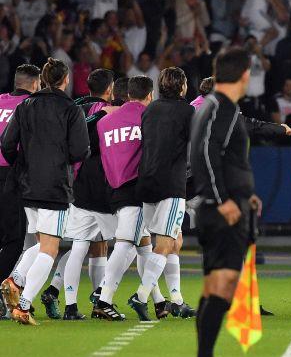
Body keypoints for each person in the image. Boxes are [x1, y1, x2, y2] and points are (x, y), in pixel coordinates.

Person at [189, 48, 262, 357]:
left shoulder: (216, 106)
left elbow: (222, 157)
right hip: (221, 211)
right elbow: (204, 153)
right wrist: (223, 200)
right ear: (245, 75)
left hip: (227, 204)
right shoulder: (222, 107)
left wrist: (246, 195)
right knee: (222, 285)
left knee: (214, 287)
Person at [0, 58, 89, 325]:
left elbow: (7, 143)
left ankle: (13, 279)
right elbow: (80, 150)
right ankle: (23, 304)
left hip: (27, 186)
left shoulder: (26, 105)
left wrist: (23, 166)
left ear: (44, 80)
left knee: (41, 243)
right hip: (55, 186)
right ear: (66, 80)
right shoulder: (71, 109)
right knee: (50, 249)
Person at [40, 69, 117, 320]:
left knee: (82, 245)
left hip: (75, 183)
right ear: (110, 89)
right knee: (131, 242)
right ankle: (100, 297)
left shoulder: (77, 107)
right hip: (99, 182)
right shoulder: (106, 111)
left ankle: (69, 302)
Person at [127, 67, 196, 321]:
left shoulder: (151, 109)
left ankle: (176, 300)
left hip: (147, 181)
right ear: (182, 86)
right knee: (165, 244)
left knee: (174, 241)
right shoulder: (187, 111)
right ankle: (141, 295)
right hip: (171, 184)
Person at [91, 75, 155, 322]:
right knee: (126, 244)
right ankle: (104, 299)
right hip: (135, 187)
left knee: (141, 245)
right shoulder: (147, 118)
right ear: (149, 95)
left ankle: (160, 301)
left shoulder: (105, 121)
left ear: (128, 94)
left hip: (114, 187)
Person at [0, 65, 40, 316]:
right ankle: (5, 290)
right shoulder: (31, 106)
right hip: (11, 174)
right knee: (14, 238)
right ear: (35, 85)